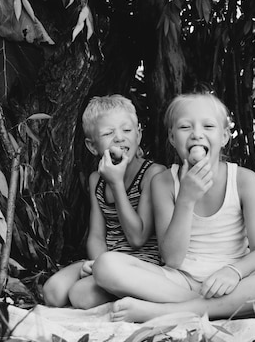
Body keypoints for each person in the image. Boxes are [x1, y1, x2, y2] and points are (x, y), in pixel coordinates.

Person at [92, 93, 255, 322]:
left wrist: (233, 272)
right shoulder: (164, 182)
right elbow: (172, 259)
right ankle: (218, 307)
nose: (197, 134)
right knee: (106, 266)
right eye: (185, 127)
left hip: (236, 280)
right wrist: (186, 198)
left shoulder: (244, 180)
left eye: (208, 126)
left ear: (224, 136)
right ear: (172, 137)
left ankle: (168, 312)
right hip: (180, 281)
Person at [42, 95, 165, 309]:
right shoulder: (96, 180)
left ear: (139, 133)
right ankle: (110, 283)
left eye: (126, 130)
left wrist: (116, 185)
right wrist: (98, 264)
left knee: (81, 296)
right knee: (52, 292)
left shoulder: (153, 174)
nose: (119, 138)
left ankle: (134, 292)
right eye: (108, 133)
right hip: (108, 261)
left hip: (143, 265)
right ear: (92, 146)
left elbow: (137, 237)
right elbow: (97, 235)